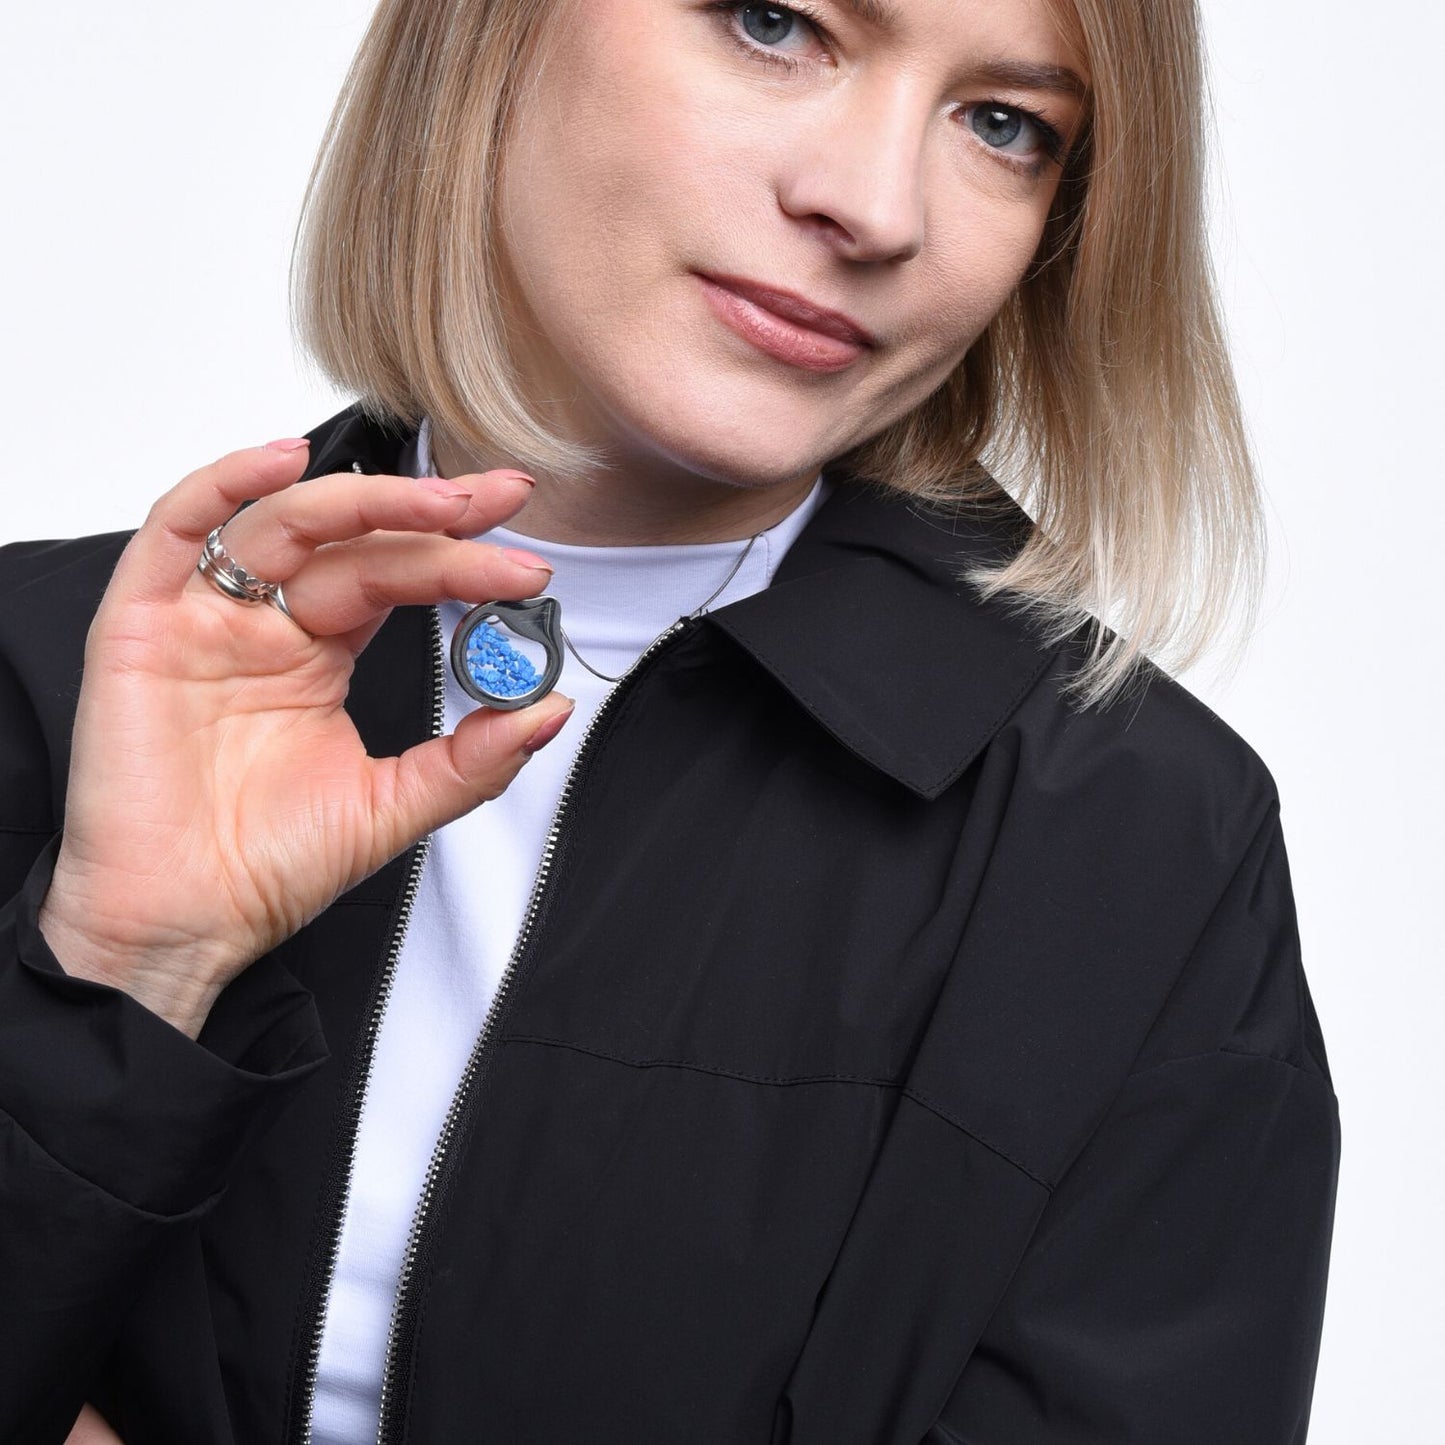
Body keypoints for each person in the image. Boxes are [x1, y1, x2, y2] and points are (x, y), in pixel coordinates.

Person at [0, 0, 1340, 1441]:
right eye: (777, 25)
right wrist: (128, 964)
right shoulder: (39, 666)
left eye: (1003, 124)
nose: (874, 204)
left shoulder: (1142, 847)